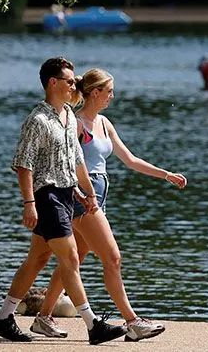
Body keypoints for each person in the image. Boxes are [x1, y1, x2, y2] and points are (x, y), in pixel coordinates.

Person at [31, 69, 187, 342]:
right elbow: (67, 164)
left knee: (73, 260)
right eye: (109, 91)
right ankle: (133, 322)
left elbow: (130, 160)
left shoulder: (104, 123)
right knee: (112, 258)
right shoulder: (76, 124)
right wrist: (80, 192)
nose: (112, 96)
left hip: (99, 198)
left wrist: (165, 175)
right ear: (94, 92)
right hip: (82, 200)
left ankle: (44, 317)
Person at [0, 57, 126, 344]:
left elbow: (75, 164)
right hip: (46, 196)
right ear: (53, 83)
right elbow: (24, 165)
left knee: (37, 259)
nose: (75, 85)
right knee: (71, 257)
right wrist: (29, 204)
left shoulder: (66, 117)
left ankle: (3, 318)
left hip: (66, 194)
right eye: (70, 81)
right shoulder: (37, 120)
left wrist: (85, 194)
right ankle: (93, 325)